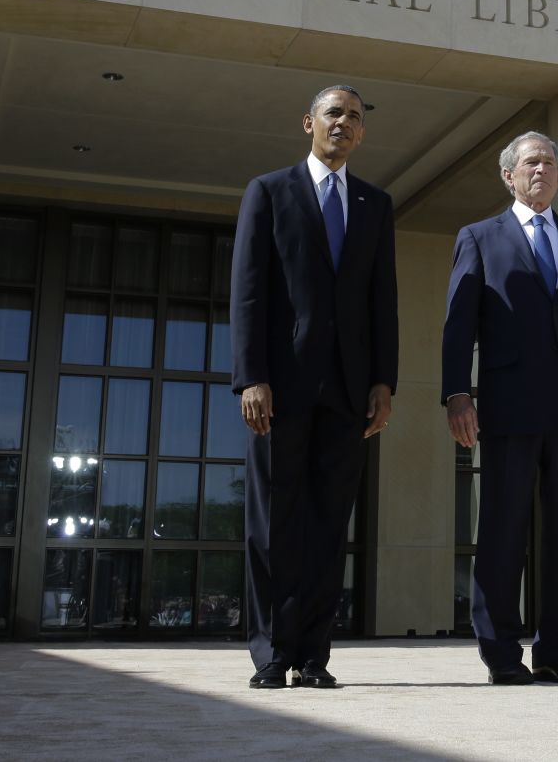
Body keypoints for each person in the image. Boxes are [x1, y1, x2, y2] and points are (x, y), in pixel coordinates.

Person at [441, 132, 558, 685]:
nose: (541, 169)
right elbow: (458, 325)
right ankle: (501, 654)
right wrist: (456, 393)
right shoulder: (479, 237)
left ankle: (556, 652)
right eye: (530, 162)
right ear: (509, 175)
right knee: (503, 531)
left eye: (549, 161)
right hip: (509, 407)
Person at [231, 85, 399, 689]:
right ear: (308, 122)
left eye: (354, 117)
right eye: (334, 114)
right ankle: (273, 652)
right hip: (280, 390)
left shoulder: (375, 204)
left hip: (349, 393)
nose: (343, 124)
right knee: (275, 522)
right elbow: (248, 291)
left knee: (330, 525)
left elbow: (383, 300)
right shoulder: (269, 192)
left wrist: (384, 381)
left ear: (361, 133)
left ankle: (314, 656)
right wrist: (251, 375)